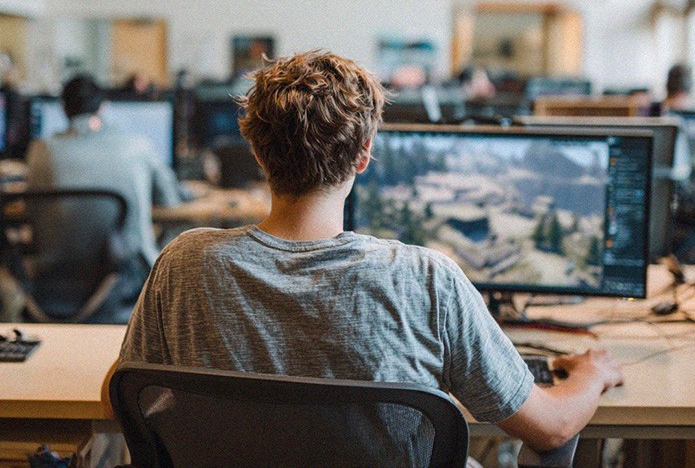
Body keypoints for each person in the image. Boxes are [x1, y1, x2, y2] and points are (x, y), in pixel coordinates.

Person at [119, 51, 623, 453]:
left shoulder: (183, 264)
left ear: (256, 152)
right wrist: (593, 374)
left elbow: (120, 399)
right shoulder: (428, 281)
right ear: (364, 157)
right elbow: (553, 428)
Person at [26, 74, 182, 277]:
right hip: (127, 283)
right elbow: (170, 200)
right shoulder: (138, 146)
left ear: (63, 109)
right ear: (103, 107)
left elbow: (33, 210)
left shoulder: (40, 151)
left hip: (56, 282)